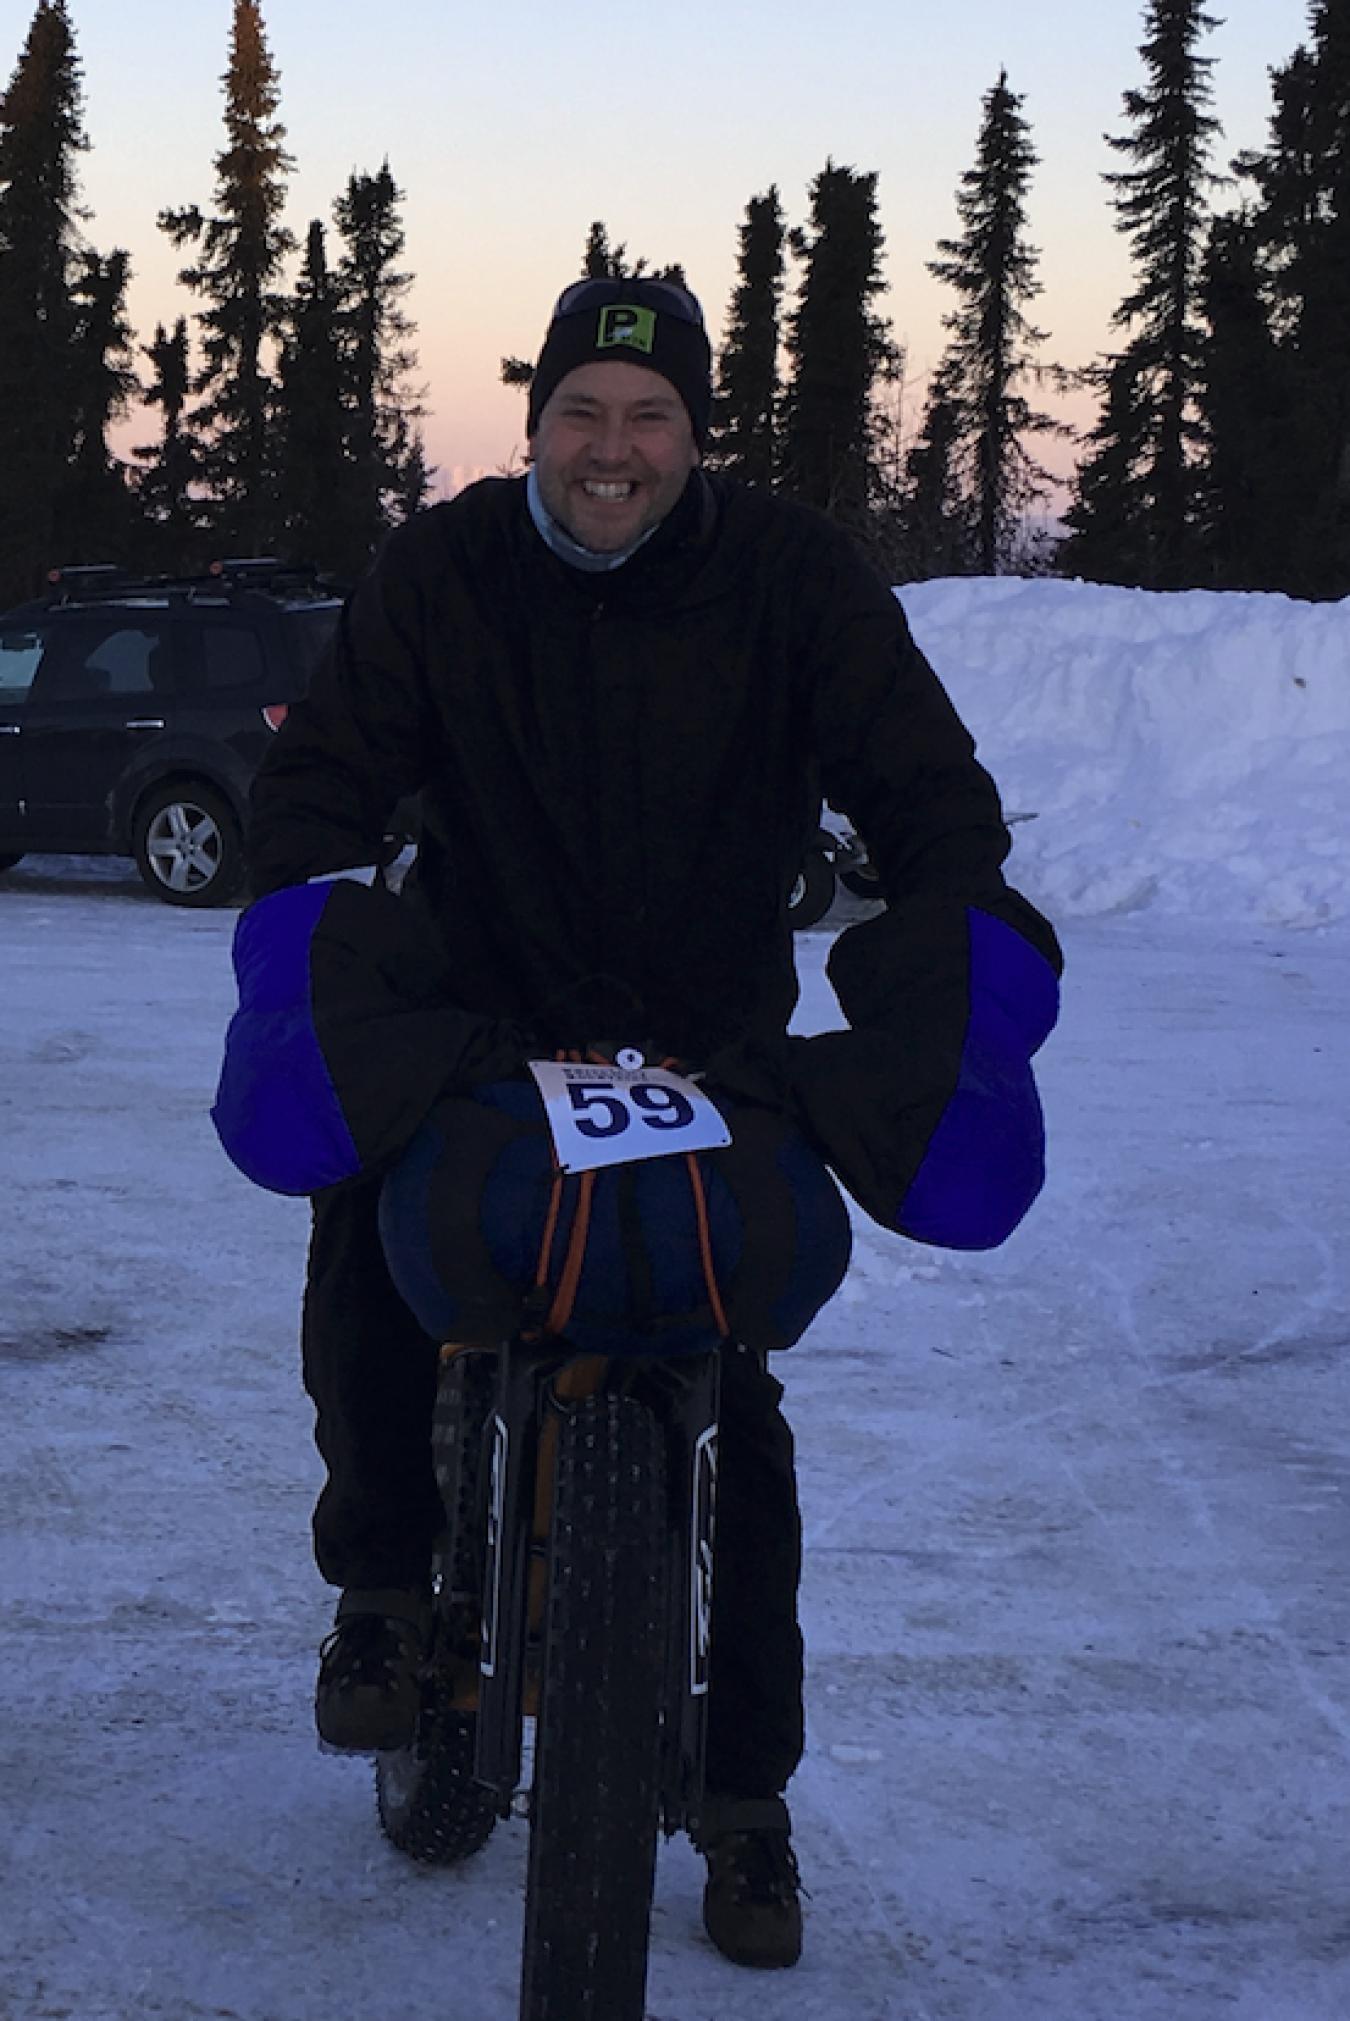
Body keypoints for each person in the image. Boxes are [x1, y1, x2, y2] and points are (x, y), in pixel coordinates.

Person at [216, 275, 1061, 1973]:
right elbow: (335, 762)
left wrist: (954, 919)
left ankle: (743, 1799)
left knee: (722, 1387)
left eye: (650, 416)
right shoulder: (442, 569)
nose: (615, 450)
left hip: (705, 1033)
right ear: (534, 423)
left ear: (695, 433)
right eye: (584, 414)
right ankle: (383, 1595)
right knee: (370, 1237)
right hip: (483, 1012)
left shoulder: (790, 575)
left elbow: (912, 771)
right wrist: (309, 895)